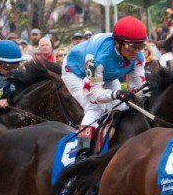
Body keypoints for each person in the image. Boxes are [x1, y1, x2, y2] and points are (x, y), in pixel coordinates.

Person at [62, 16, 147, 159]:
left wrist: (137, 96)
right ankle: (82, 152)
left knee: (121, 107)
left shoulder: (138, 57)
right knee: (95, 108)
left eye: (140, 46)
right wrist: (116, 94)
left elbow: (138, 88)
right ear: (118, 43)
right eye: (132, 46)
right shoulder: (97, 58)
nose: (136, 51)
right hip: (76, 72)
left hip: (106, 74)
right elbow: (93, 94)